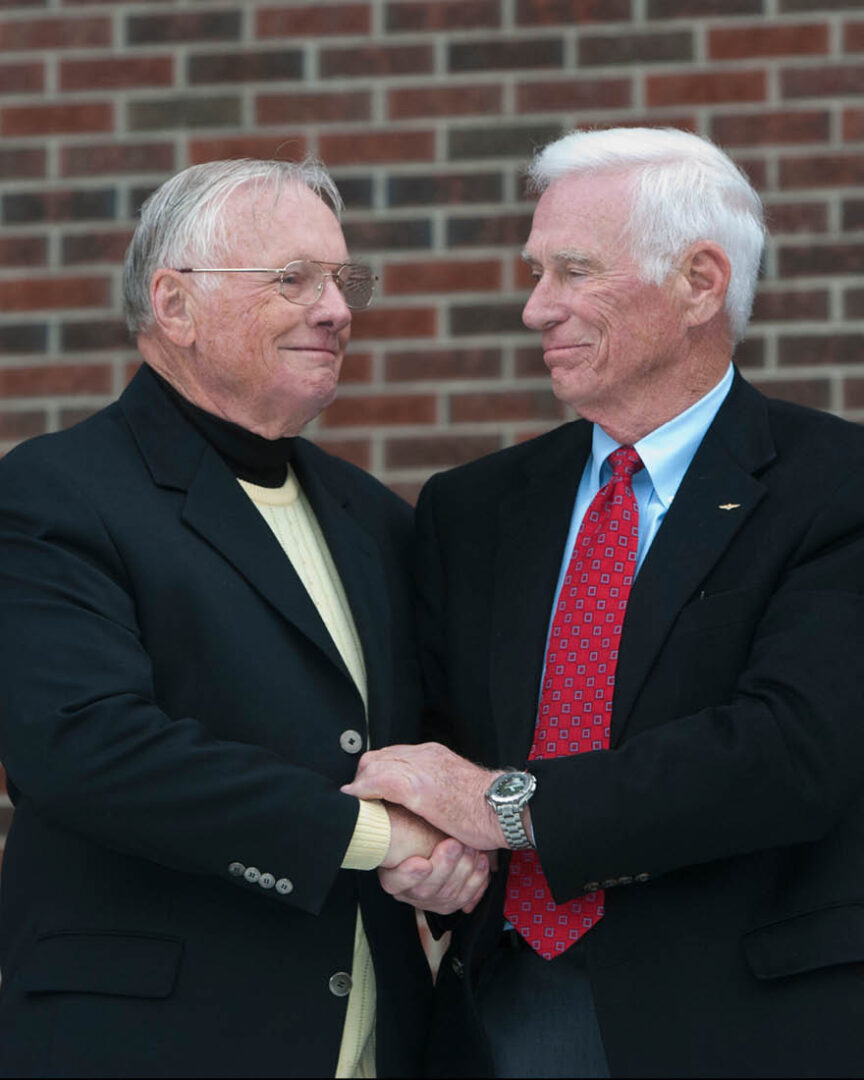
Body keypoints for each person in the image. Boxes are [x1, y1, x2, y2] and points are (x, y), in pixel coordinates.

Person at [343, 127, 864, 1078]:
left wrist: (502, 807)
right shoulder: (473, 508)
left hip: (749, 1020)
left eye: (574, 272)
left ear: (701, 283)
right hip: (496, 1017)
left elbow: (795, 750)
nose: (538, 308)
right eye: (537, 272)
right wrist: (430, 850)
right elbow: (443, 747)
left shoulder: (836, 487)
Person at [0, 158, 487, 1079]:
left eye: (344, 281)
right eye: (295, 280)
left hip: (379, 1043)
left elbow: (417, 749)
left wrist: (452, 854)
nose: (337, 309)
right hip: (154, 1040)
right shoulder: (55, 493)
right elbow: (83, 747)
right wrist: (381, 836)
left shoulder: (374, 517)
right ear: (174, 305)